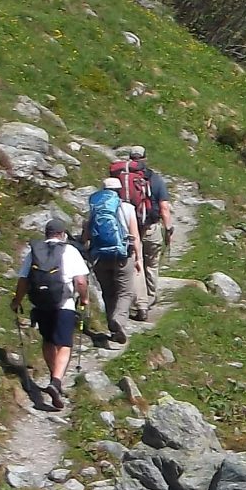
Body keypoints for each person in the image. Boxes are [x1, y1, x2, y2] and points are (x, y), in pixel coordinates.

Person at [11, 214, 88, 410]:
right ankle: (56, 381)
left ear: (46, 233)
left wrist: (17, 301)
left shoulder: (35, 251)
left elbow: (23, 280)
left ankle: (55, 379)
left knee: (48, 341)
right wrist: (84, 298)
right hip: (64, 304)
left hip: (41, 304)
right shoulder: (70, 251)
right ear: (62, 234)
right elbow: (80, 281)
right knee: (64, 344)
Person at [84, 173, 143, 345]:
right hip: (122, 255)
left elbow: (86, 234)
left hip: (100, 256)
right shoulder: (127, 208)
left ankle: (113, 327)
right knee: (125, 292)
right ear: (119, 191)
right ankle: (119, 320)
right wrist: (138, 258)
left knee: (108, 292)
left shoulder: (94, 208)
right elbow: (135, 236)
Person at [115, 145, 170, 315]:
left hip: (130, 229)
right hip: (151, 227)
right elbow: (164, 207)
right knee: (151, 264)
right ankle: (150, 297)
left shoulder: (121, 179)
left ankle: (140, 302)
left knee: (136, 264)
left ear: (130, 159)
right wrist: (168, 228)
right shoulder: (155, 179)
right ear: (145, 158)